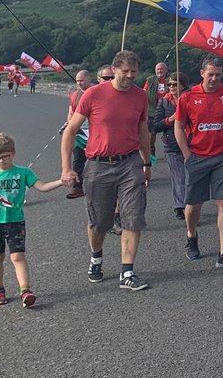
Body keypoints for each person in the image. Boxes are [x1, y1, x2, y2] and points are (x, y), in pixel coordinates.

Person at [60, 50, 151, 292]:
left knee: (133, 216)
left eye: (134, 71)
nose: (130, 76)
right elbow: (70, 132)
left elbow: (143, 130)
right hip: (98, 165)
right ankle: (96, 257)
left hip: (130, 162)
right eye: (125, 71)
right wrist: (66, 167)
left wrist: (147, 162)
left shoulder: (141, 96)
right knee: (100, 222)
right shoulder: (93, 94)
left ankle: (127, 271)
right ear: (114, 70)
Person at [0, 133, 65, 307]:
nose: (1, 161)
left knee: (18, 256)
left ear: (13, 154)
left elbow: (42, 187)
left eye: (5, 157)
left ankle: (25, 291)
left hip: (15, 221)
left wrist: (61, 182)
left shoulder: (23, 172)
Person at [175, 55, 223, 271]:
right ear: (202, 73)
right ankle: (191, 235)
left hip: (222, 155)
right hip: (197, 155)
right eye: (211, 74)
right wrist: (186, 153)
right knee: (194, 205)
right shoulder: (187, 96)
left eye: (218, 75)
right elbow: (178, 126)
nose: (214, 79)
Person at [150, 71, 190, 221]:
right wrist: (170, 120)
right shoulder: (164, 102)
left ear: (183, 85)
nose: (171, 87)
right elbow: (156, 126)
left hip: (191, 143)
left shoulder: (191, 98)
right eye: (169, 84)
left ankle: (190, 204)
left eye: (175, 84)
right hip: (172, 144)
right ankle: (181, 206)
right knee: (179, 177)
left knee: (190, 177)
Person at [62, 69, 97, 200]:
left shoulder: (97, 91)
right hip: (79, 132)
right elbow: (71, 112)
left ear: (89, 79)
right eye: (77, 81)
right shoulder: (75, 95)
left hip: (95, 131)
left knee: (95, 159)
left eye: (81, 80)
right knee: (78, 158)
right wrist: (68, 124)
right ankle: (77, 186)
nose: (79, 83)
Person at [142, 61, 169, 157]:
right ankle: (151, 149)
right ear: (155, 70)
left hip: (167, 110)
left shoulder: (170, 80)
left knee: (169, 131)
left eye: (162, 69)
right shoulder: (150, 80)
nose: (160, 71)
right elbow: (144, 91)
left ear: (166, 70)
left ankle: (169, 150)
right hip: (153, 110)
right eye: (158, 69)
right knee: (151, 133)